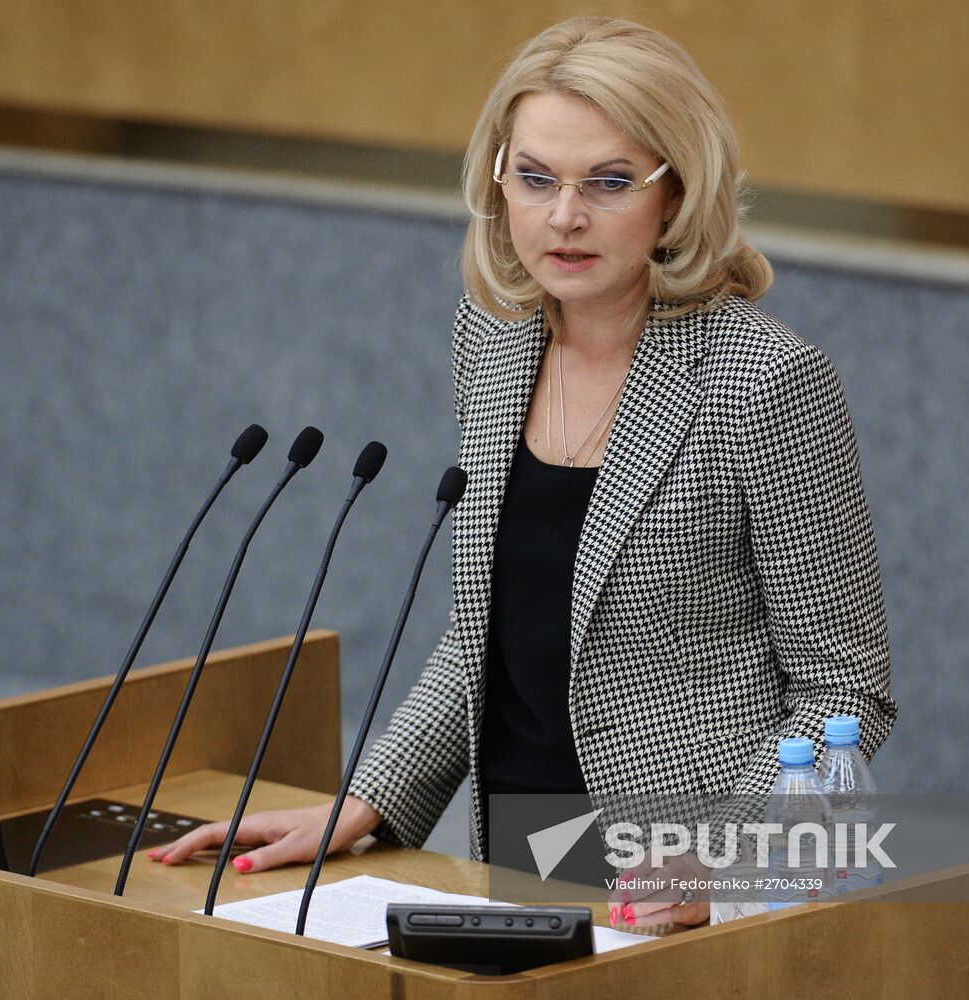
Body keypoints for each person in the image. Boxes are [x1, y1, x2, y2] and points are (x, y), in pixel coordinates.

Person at [150, 16, 896, 929]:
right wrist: (365, 800)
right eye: (535, 177)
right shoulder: (494, 341)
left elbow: (841, 689)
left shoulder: (763, 382)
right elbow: (490, 627)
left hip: (677, 884)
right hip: (517, 845)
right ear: (497, 179)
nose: (564, 216)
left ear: (677, 193)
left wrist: (735, 861)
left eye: (609, 182)